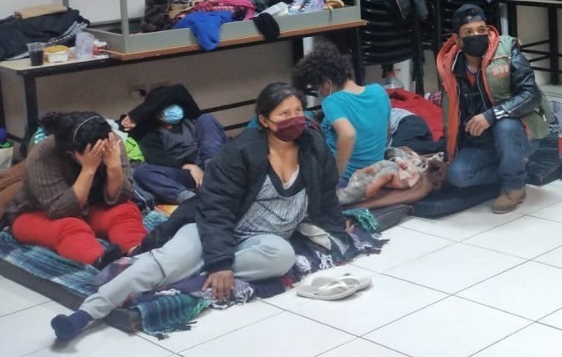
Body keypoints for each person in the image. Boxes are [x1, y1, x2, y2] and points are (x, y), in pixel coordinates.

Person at [49, 83, 349, 342]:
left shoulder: (312, 146)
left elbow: (325, 191)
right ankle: (86, 314)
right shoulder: (240, 153)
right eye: (284, 114)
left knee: (282, 257)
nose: (295, 119)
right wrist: (220, 262)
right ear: (264, 120)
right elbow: (216, 210)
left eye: (298, 110)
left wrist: (337, 228)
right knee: (167, 261)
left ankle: (190, 273)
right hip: (211, 227)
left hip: (260, 239)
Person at [437, 4, 549, 213]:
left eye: (481, 30)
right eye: (469, 32)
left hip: (519, 133)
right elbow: (451, 116)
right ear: (457, 40)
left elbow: (531, 94)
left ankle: (514, 186)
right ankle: (514, 167)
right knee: (458, 175)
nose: (477, 35)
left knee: (505, 125)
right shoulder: (450, 67)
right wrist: (448, 157)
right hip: (482, 141)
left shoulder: (507, 51)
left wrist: (491, 115)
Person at [4, 111, 146, 268]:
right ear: (71, 153)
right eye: (94, 153)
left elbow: (121, 197)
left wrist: (114, 167)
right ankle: (100, 261)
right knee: (70, 226)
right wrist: (88, 169)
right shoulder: (43, 155)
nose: (101, 154)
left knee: (125, 210)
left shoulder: (112, 143)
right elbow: (60, 210)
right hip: (39, 213)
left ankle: (139, 251)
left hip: (92, 207)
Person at [292, 39, 391, 180]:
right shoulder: (379, 91)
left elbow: (348, 134)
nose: (319, 93)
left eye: (318, 88)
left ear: (327, 83)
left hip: (349, 177)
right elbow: (387, 133)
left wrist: (336, 174)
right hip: (377, 170)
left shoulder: (332, 101)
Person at [122, 84, 228, 204]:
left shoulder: (191, 116)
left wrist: (136, 114)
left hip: (215, 164)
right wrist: (188, 166)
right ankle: (191, 201)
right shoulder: (149, 132)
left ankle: (215, 177)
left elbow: (179, 89)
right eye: (166, 106)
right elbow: (157, 158)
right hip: (186, 172)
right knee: (141, 172)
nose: (173, 108)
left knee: (206, 118)